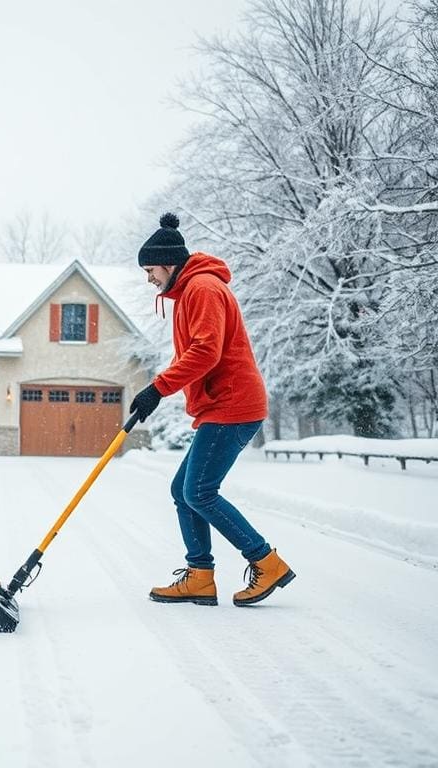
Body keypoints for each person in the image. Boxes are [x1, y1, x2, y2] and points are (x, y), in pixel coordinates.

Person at [129, 213, 295, 607]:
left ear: (168, 264)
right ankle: (200, 575)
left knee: (199, 491)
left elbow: (205, 351)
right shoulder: (190, 291)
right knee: (183, 490)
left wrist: (158, 388)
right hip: (222, 405)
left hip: (233, 404)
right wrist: (159, 388)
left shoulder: (202, 288)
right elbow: (194, 353)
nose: (149, 278)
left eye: (150, 270)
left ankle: (266, 561)